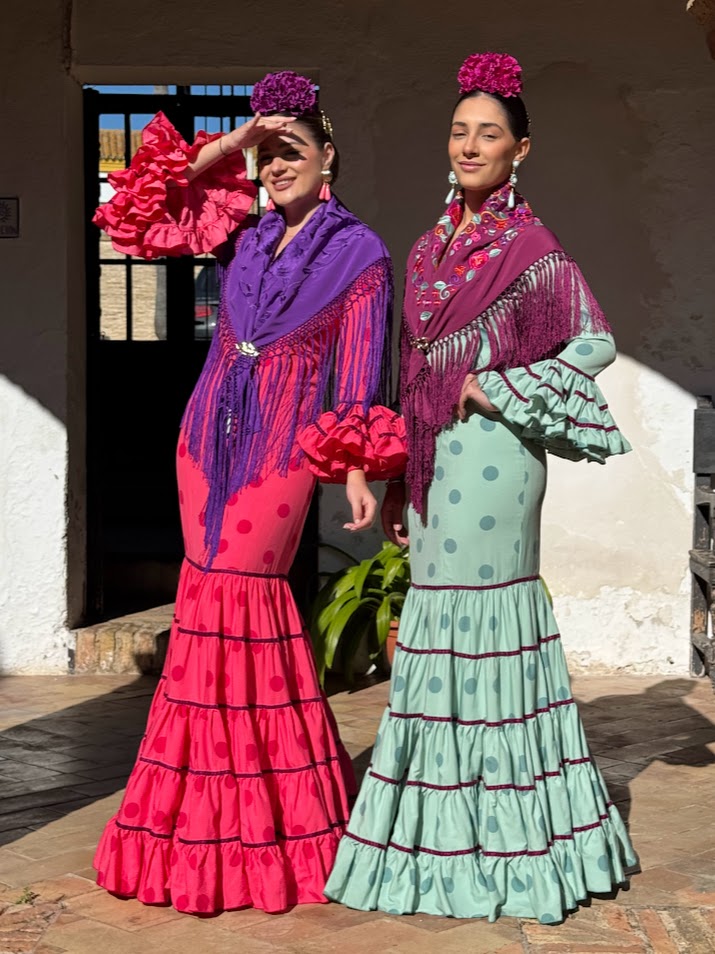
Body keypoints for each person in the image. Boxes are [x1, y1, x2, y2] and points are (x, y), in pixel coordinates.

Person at [324, 52, 637, 923]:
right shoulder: (427, 251)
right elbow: (408, 378)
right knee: (435, 628)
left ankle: (509, 844)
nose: (469, 145)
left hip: (498, 464)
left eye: (488, 134)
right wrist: (397, 480)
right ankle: (436, 834)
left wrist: (500, 386)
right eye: (459, 131)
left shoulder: (531, 249)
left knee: (488, 627)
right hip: (433, 468)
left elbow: (593, 343)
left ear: (519, 150)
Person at [92, 71, 403, 915]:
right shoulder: (239, 232)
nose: (276, 166)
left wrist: (354, 468)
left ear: (329, 156)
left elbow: (359, 368)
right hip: (202, 444)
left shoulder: (360, 252)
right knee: (201, 607)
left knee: (247, 599)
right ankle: (191, 811)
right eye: (268, 155)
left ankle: (267, 819)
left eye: (292, 149)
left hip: (279, 453)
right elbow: (137, 214)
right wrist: (234, 142)